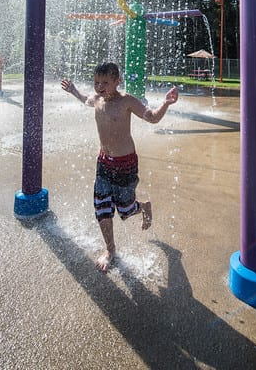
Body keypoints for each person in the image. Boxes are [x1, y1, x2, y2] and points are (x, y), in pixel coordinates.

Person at [61, 62, 179, 272]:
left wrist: (166, 103)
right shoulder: (96, 99)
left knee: (125, 209)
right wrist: (73, 91)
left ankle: (143, 207)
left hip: (126, 164)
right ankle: (110, 250)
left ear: (117, 81)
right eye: (97, 82)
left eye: (105, 82)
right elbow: (85, 99)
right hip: (104, 162)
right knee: (102, 207)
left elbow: (152, 117)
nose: (100, 86)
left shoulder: (127, 101)